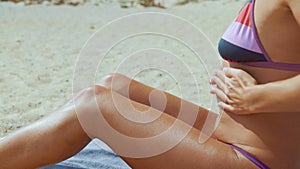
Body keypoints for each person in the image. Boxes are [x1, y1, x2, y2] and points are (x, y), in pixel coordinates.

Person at [0, 0, 299, 168]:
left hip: (255, 162)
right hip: (228, 137)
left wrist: (256, 98)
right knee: (115, 87)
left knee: (96, 107)